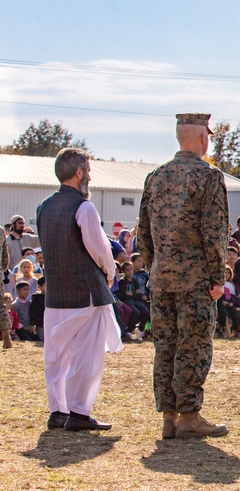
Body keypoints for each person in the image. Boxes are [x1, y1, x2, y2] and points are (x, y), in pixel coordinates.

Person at [137, 113, 228, 438]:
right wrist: (218, 277)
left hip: (161, 280)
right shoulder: (208, 177)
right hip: (195, 281)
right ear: (204, 138)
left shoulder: (155, 177)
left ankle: (169, 418)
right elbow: (214, 232)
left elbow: (142, 235)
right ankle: (190, 417)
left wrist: (156, 267)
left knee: (166, 347)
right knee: (193, 346)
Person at [36, 147, 121, 431]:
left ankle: (58, 410)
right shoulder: (84, 207)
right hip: (85, 292)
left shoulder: (44, 206)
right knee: (86, 355)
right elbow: (99, 249)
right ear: (79, 172)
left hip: (56, 292)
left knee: (56, 354)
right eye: (89, 171)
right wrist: (110, 272)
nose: (90, 178)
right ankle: (79, 412)